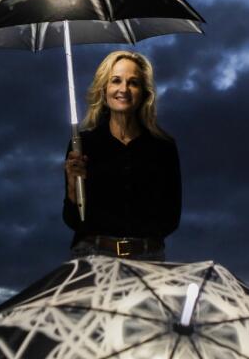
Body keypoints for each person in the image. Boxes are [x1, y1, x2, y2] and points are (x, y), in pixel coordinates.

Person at [63, 50, 181, 259]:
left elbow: (171, 218)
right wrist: (73, 189)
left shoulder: (163, 147)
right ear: (104, 89)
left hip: (148, 258)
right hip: (93, 257)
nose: (123, 89)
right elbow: (74, 221)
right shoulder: (82, 145)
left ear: (144, 92)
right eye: (116, 81)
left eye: (133, 82)